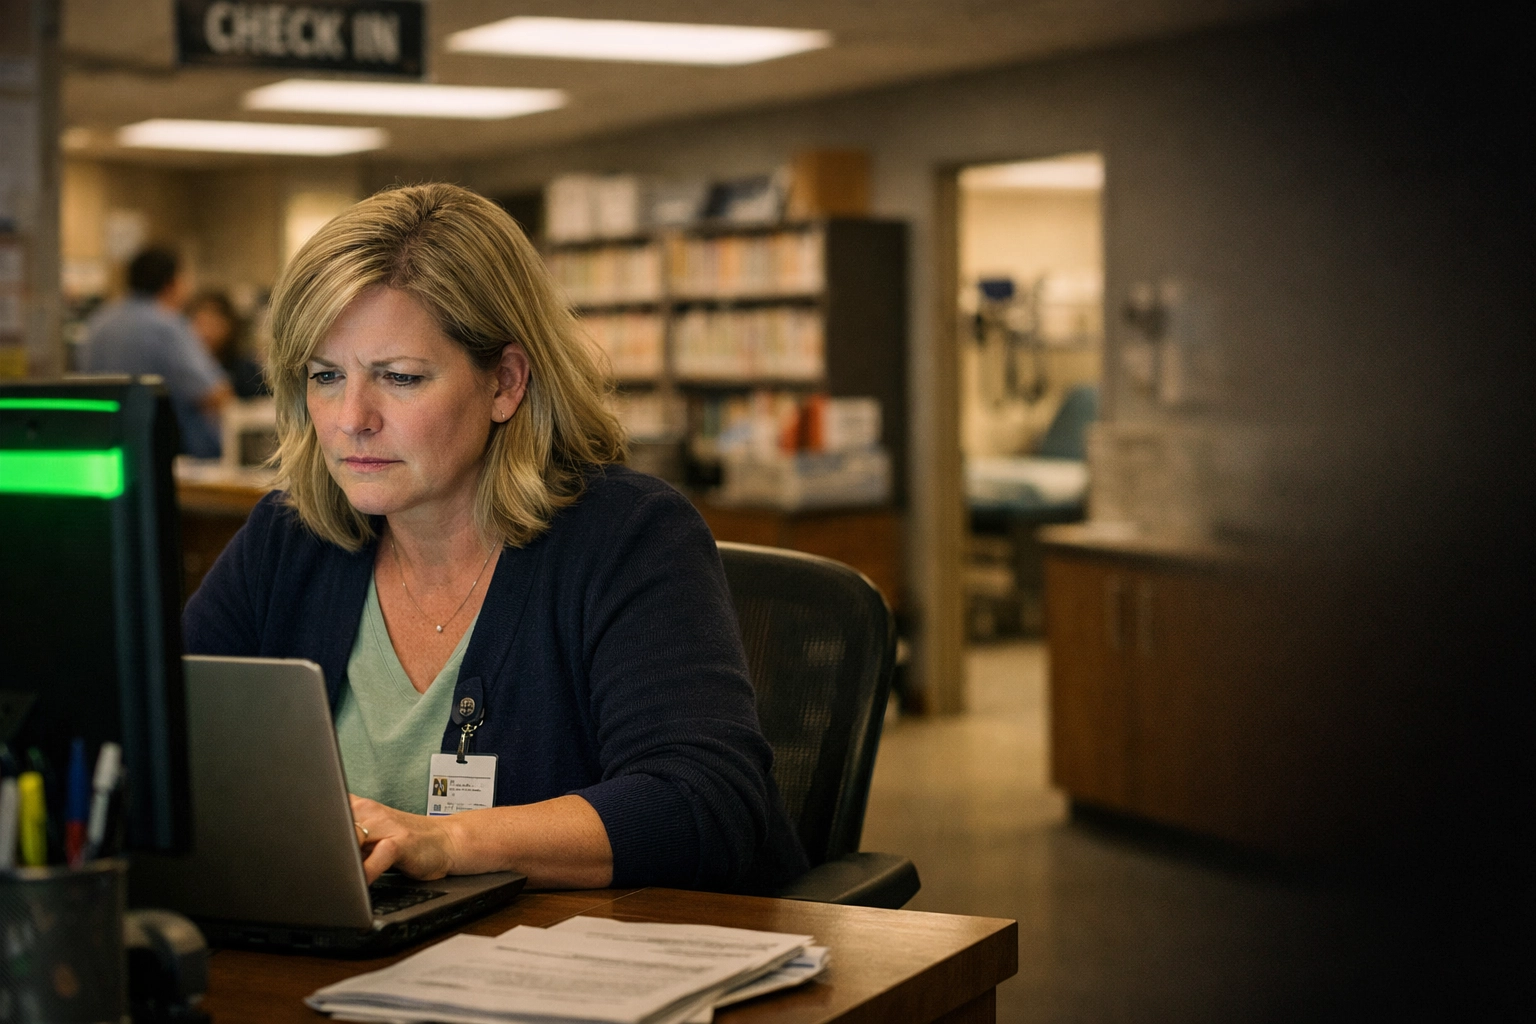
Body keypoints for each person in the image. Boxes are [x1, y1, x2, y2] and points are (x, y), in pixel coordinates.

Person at [182, 183, 808, 894]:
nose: (352, 417)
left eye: (400, 378)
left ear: (505, 383)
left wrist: (447, 841)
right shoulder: (287, 539)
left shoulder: (629, 537)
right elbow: (162, 738)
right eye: (326, 376)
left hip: (593, 952)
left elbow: (702, 802)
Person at [79, 247, 232, 458]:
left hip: (104, 447)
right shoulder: (167, 325)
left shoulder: (98, 323)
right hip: (163, 453)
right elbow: (214, 394)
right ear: (172, 283)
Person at [185, 290, 268, 399]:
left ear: (229, 325)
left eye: (213, 323)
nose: (206, 332)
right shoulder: (187, 368)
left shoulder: (244, 369)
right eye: (201, 323)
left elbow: (264, 401)